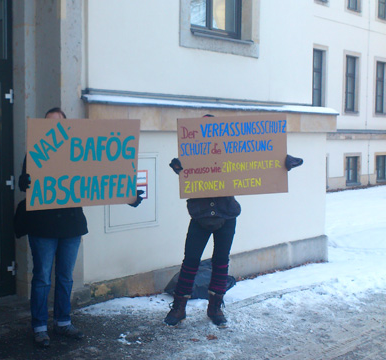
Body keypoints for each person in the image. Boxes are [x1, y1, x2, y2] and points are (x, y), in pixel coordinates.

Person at [19, 107, 143, 347]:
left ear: (67, 126)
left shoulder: (79, 152)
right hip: (42, 227)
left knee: (65, 278)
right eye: (48, 123)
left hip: (70, 226)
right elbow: (26, 185)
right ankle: (39, 326)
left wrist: (128, 194)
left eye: (58, 123)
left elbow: (103, 175)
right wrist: (24, 182)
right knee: (42, 278)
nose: (53, 127)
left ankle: (63, 322)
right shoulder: (34, 152)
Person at [165, 114, 303, 328]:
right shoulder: (192, 155)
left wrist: (282, 164)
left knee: (221, 262)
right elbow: (187, 173)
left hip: (226, 215)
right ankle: (179, 308)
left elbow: (257, 161)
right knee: (190, 261)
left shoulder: (231, 155)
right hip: (200, 216)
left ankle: (215, 306)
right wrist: (178, 168)